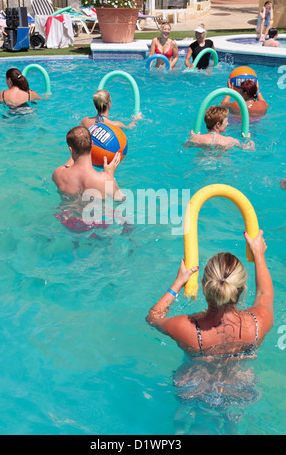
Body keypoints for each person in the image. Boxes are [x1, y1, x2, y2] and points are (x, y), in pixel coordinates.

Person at [146, 230, 274, 359]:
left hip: (192, 378)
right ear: (243, 289)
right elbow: (265, 293)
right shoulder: (258, 324)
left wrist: (178, 283)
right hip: (242, 378)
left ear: (204, 287)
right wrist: (259, 254)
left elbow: (153, 318)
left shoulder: (187, 329)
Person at [52, 126, 124, 200]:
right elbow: (120, 199)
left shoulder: (58, 174)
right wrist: (110, 175)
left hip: (64, 210)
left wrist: (77, 148)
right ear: (92, 143)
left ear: (71, 150)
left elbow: (66, 166)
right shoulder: (104, 180)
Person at [188, 106, 255, 150]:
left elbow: (186, 147)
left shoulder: (196, 138)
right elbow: (248, 149)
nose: (228, 123)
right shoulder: (229, 141)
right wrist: (247, 139)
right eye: (226, 121)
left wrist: (191, 136)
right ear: (218, 124)